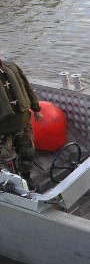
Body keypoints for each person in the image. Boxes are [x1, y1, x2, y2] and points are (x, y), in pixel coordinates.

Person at [0, 58, 43, 189]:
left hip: (22, 122)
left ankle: (26, 179)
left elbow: (26, 87)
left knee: (27, 153)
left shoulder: (11, 67)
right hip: (2, 129)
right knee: (4, 159)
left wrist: (36, 109)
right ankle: (9, 185)